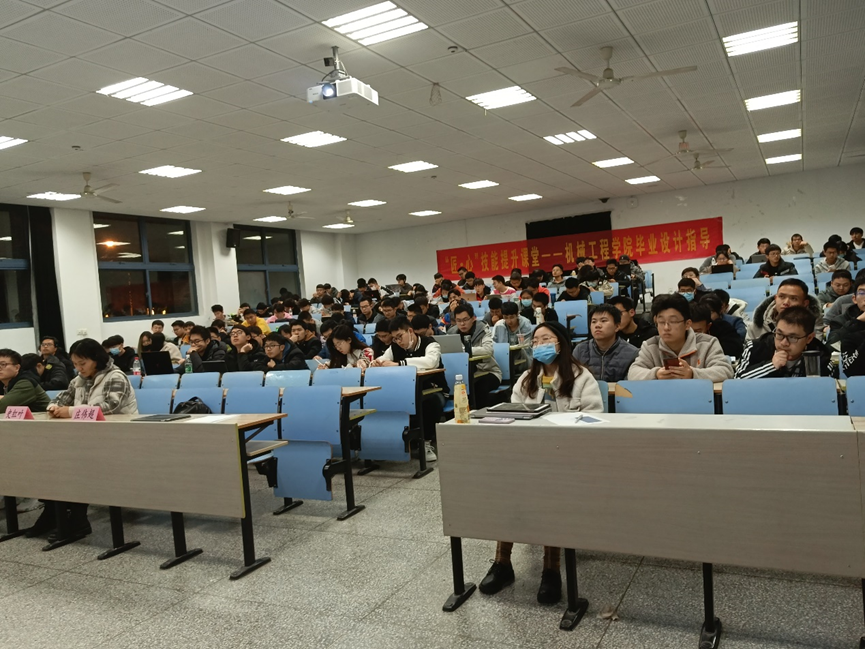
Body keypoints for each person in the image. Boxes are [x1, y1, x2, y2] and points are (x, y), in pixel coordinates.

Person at [479, 321, 603, 604]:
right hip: (529, 454)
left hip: (568, 459)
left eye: (546, 339)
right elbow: (511, 415)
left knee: (552, 494)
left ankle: (551, 569)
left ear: (560, 343)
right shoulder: (527, 379)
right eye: (535, 341)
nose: (540, 345)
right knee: (507, 491)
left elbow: (594, 418)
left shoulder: (582, 377)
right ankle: (502, 563)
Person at [35, 339, 138, 541]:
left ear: (96, 359)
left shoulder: (116, 376)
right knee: (52, 461)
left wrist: (70, 411)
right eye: (75, 364)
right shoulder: (79, 379)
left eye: (82, 363)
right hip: (88, 438)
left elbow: (110, 406)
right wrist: (53, 408)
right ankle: (56, 513)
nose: (78, 368)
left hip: (119, 438)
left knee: (76, 464)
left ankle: (77, 519)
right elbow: (60, 398)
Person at [370, 316, 447, 461]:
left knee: (429, 403)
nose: (398, 341)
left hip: (434, 389)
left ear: (410, 331)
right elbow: (382, 359)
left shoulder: (430, 344)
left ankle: (425, 442)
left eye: (400, 336)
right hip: (408, 392)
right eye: (395, 338)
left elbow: (431, 362)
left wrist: (400, 364)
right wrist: (374, 363)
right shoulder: (395, 347)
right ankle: (388, 443)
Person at [627, 294, 734, 381]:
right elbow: (633, 373)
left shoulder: (708, 343)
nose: (666, 327)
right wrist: (656, 374)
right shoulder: (650, 345)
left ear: (687, 324)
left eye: (673, 321)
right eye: (661, 322)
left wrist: (692, 373)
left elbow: (725, 370)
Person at [736, 306, 834, 379]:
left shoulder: (821, 358)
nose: (784, 343)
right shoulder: (755, 348)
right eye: (779, 334)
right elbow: (737, 383)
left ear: (809, 338)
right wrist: (771, 366)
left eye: (792, 337)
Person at [448, 303, 501, 406]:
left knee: (478, 388)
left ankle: (480, 413)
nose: (462, 324)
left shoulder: (482, 329)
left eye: (465, 320)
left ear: (473, 318)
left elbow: (488, 350)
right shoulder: (451, 333)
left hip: (488, 371)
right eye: (458, 320)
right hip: (465, 374)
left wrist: (465, 350)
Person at [573, 304, 638, 382]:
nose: (597, 325)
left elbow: (629, 385)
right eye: (594, 322)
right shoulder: (580, 350)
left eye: (603, 321)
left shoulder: (632, 353)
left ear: (617, 326)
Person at [747, 278, 822, 341]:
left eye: (793, 298)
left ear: (805, 303)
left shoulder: (814, 325)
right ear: (776, 298)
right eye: (782, 297)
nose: (786, 302)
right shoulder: (756, 326)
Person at [0, 350, 50, 414]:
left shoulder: (25, 383)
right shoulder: (7, 382)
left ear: (17, 367)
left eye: (3, 364)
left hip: (45, 419)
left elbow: (2, 407)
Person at [834, 277, 865, 376]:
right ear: (854, 299)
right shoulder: (840, 321)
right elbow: (832, 349)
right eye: (862, 293)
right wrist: (857, 322)